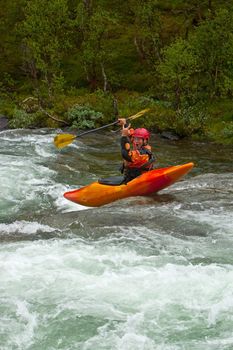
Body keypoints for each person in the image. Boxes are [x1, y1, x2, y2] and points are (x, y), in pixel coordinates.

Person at [118, 118, 155, 183]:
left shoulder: (142, 154)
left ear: (145, 140)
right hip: (133, 177)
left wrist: (123, 136)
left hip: (136, 180)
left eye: (138, 139)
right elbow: (130, 134)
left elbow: (126, 155)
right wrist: (124, 123)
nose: (135, 141)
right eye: (135, 139)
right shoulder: (140, 144)